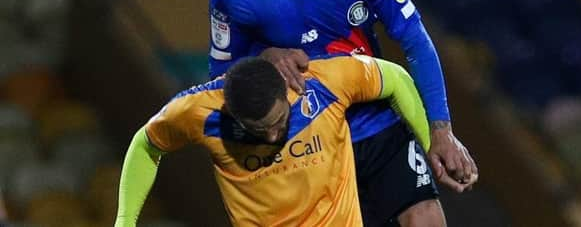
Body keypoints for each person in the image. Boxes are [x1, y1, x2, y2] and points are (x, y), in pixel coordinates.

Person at [208, 0, 478, 226]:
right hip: (309, 147)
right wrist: (263, 61)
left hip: (379, 126)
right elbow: (219, 81)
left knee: (425, 218)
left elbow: (416, 41)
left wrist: (441, 130)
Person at [115, 55, 431, 226]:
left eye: (279, 122)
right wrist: (125, 220)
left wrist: (432, 145)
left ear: (285, 89)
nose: (271, 136)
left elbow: (395, 78)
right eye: (257, 129)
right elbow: (146, 143)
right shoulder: (197, 111)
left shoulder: (321, 83)